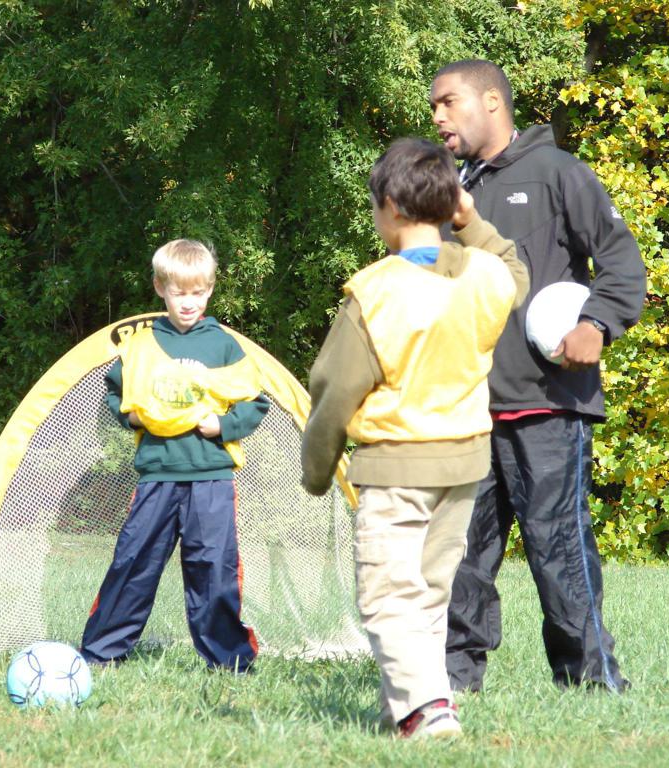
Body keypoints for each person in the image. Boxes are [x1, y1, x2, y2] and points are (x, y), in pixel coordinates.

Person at [429, 59, 646, 693]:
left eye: (448, 102)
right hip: (467, 407)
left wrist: (597, 324)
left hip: (548, 404)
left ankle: (590, 682)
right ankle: (452, 682)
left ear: (491, 101)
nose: (437, 116)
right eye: (433, 105)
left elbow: (622, 263)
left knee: (558, 549)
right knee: (460, 555)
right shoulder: (447, 191)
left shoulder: (558, 172)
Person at [301, 138, 529, 739]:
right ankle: (407, 707)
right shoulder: (482, 275)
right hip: (465, 465)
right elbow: (516, 273)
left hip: (396, 466)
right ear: (450, 202)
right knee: (427, 593)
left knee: (387, 595)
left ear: (392, 208)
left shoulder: (376, 292)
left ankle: (427, 709)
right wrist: (471, 222)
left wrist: (317, 470)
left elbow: (334, 392)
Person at [81, 239, 270, 673]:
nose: (188, 302)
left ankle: (228, 660)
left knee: (214, 569)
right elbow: (116, 392)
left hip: (211, 476)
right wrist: (132, 418)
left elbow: (255, 401)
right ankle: (101, 652)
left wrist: (223, 426)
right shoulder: (141, 345)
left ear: (210, 290)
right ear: (160, 288)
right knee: (134, 561)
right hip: (158, 474)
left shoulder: (224, 346)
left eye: (198, 292)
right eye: (179, 292)